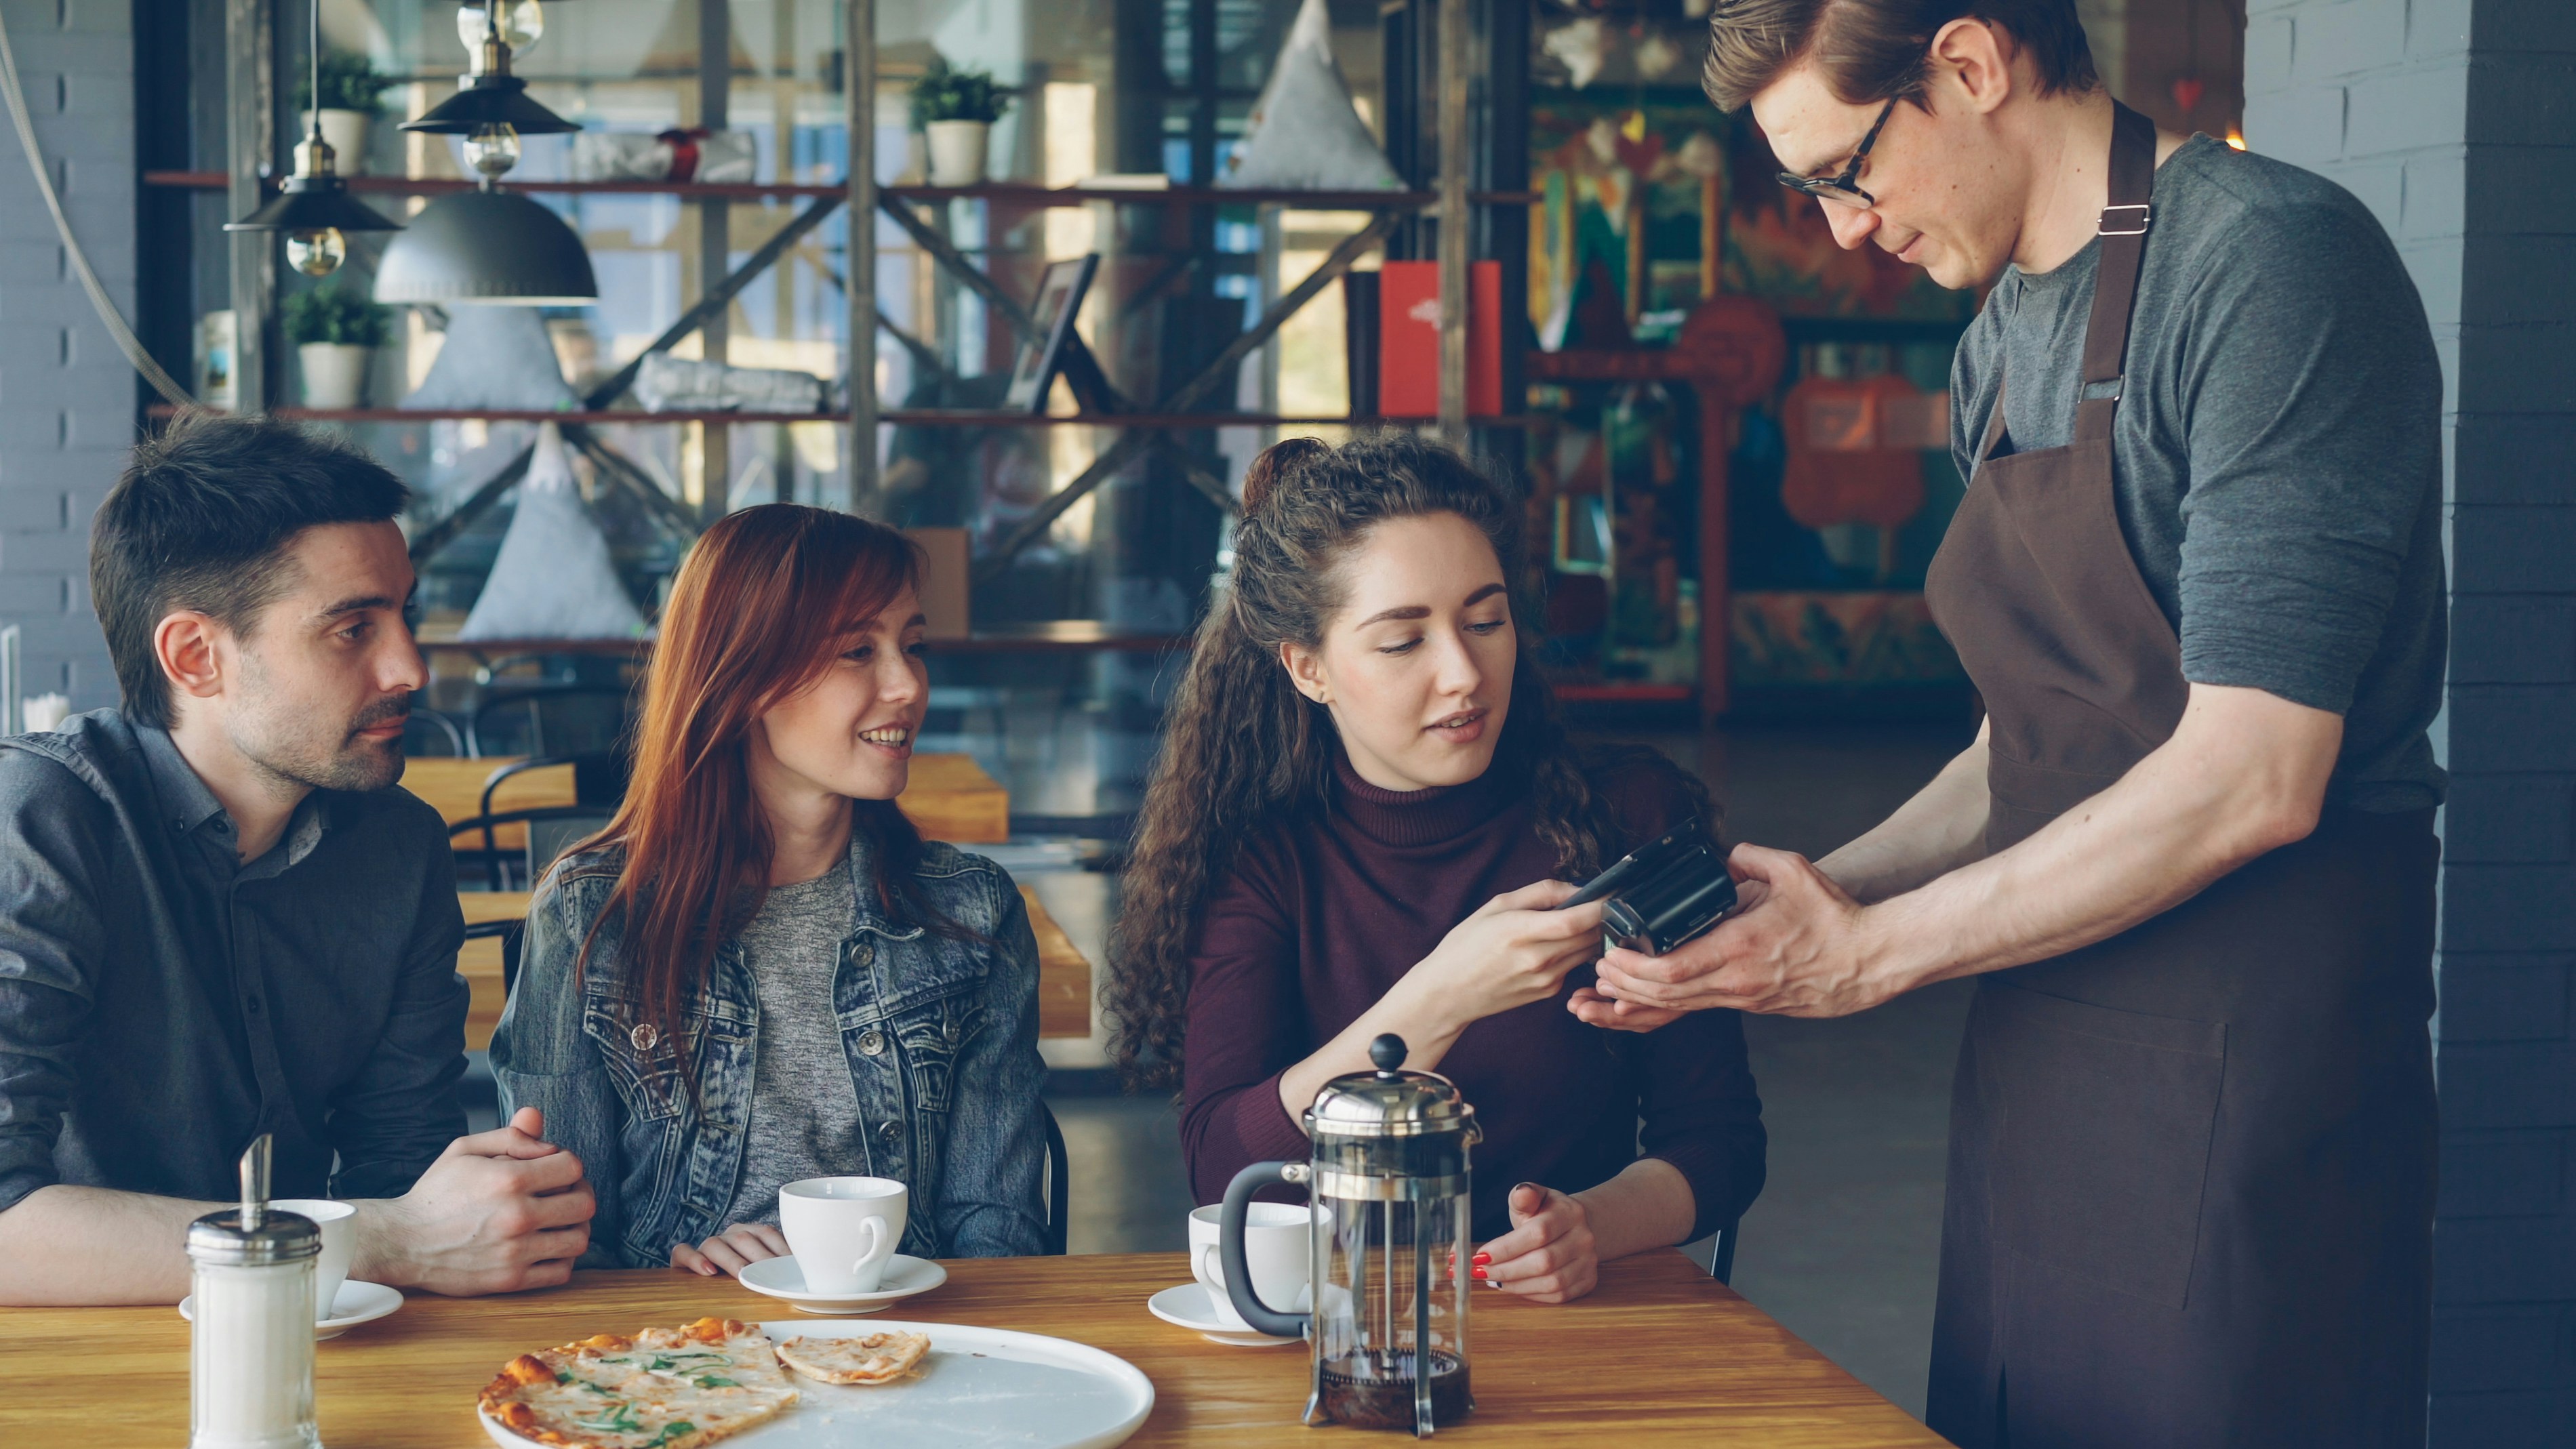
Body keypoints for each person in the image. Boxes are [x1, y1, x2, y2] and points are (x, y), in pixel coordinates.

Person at [1575, 4, 2448, 1444]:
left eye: (1846, 174)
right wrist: (1815, 893)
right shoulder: (1997, 341)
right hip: (2047, 1051)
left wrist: (1865, 962)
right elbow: (2022, 744)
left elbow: (2257, 771)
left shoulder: (2269, 267)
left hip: (2254, 1054)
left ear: (1968, 67)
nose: (1846, 232)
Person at [1109, 436, 1765, 1304]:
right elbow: (1231, 1177)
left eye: (1485, 622)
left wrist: (1592, 1225)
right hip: (1336, 1331)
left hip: (1580, 1335)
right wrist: (1442, 996)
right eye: (1402, 641)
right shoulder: (1259, 856)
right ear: (1307, 668)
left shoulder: (1625, 816)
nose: (1463, 672)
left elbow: (1717, 1139)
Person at [0, 413, 595, 1306]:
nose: (410, 666)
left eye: (405, 613)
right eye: (353, 628)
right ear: (196, 655)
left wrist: (476, 1217)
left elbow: (407, 1170)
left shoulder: (399, 844)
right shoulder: (44, 821)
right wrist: (385, 1239)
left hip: (329, 1343)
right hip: (81, 1366)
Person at [491, 505, 1049, 1273]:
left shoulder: (970, 911)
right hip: (677, 1366)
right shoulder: (592, 914)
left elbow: (998, 1234)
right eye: (858, 649)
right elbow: (558, 1242)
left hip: (904, 1340)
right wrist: (674, 1280)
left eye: (911, 646)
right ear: (743, 677)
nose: (906, 684)